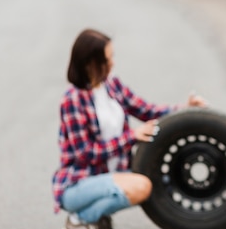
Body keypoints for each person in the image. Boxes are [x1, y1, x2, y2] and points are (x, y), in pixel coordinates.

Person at [52, 28, 206, 229]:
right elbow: (85, 153)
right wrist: (131, 137)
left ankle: (97, 218)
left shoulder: (112, 85)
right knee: (142, 187)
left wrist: (185, 109)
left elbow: (146, 111)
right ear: (91, 63)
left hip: (113, 174)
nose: (112, 62)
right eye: (108, 59)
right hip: (79, 184)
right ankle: (80, 219)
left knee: (161, 180)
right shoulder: (72, 99)